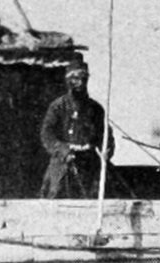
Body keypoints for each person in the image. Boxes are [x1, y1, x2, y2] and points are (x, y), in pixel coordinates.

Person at [39, 62, 114, 198]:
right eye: (75, 78)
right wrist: (64, 150)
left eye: (83, 78)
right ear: (68, 81)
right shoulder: (58, 106)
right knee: (54, 193)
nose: (80, 82)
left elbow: (105, 134)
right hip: (63, 160)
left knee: (101, 193)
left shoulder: (95, 108)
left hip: (89, 161)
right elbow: (47, 135)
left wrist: (107, 150)